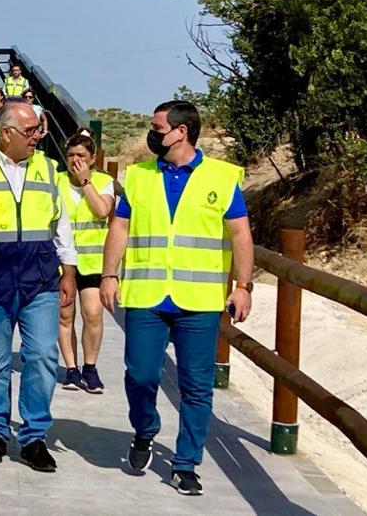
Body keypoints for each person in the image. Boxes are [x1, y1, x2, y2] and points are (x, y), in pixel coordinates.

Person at [101, 100, 255, 496]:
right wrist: (109, 274)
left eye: (157, 126)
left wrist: (243, 285)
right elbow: (120, 226)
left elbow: (240, 235)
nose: (151, 132)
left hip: (199, 302)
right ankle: (144, 430)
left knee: (196, 386)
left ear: (181, 132)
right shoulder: (137, 177)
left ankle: (186, 463)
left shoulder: (222, 178)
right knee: (140, 375)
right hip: (147, 296)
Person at [0, 102, 77, 472]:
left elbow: (62, 223)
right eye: (30, 132)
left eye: (39, 130)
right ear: (6, 133)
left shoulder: (48, 169)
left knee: (41, 356)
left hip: (39, 278)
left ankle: (34, 437)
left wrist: (68, 269)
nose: (37, 137)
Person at [56, 128, 115, 393]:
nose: (75, 160)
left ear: (92, 158)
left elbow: (102, 210)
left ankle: (90, 367)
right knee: (65, 314)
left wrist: (85, 182)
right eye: (70, 155)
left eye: (81, 155)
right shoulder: (55, 181)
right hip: (61, 262)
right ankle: (71, 368)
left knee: (92, 314)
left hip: (93, 261)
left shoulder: (103, 182)